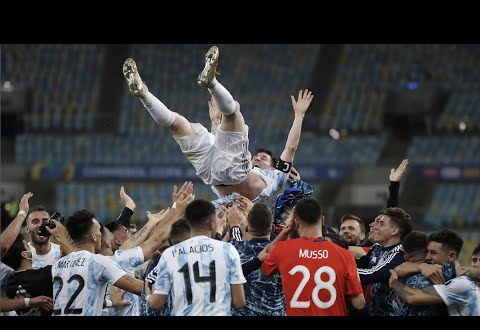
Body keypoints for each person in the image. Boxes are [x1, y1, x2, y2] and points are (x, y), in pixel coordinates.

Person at [123, 45, 313, 209]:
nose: (258, 159)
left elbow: (290, 147)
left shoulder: (277, 176)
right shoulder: (246, 170)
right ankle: (144, 94)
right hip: (212, 172)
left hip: (225, 173)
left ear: (274, 166)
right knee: (178, 124)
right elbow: (221, 153)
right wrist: (215, 123)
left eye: (264, 159)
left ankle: (211, 82)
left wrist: (299, 115)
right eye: (257, 156)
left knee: (233, 112)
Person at [262, 198, 365, 316]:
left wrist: (285, 231)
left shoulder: (282, 249)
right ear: (322, 220)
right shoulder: (344, 255)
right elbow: (359, 303)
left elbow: (264, 266)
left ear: (295, 223)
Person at [146, 199, 246, 315]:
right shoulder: (228, 250)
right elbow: (239, 302)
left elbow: (156, 303)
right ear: (212, 222)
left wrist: (149, 296)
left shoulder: (170, 254)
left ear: (188, 223)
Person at [51, 209, 144, 316]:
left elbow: (76, 303)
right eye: (99, 230)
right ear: (94, 237)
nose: (101, 234)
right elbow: (139, 288)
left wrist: (110, 303)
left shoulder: (57, 265)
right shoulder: (98, 262)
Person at [356, 207, 412, 316]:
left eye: (381, 224)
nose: (375, 227)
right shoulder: (376, 248)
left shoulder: (399, 253)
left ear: (394, 230)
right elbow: (357, 265)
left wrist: (341, 272)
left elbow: (374, 274)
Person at [2, 235, 54, 316]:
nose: (30, 247)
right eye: (27, 245)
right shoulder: (44, 275)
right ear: (24, 255)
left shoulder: (8, 284)